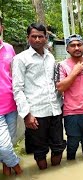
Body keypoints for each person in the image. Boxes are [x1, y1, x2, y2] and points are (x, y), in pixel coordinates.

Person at [12, 23, 66, 170]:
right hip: (36, 113)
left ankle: (56, 174)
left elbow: (55, 83)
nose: (37, 39)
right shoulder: (20, 59)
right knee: (40, 152)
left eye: (40, 36)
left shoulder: (50, 57)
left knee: (58, 147)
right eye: (33, 36)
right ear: (28, 38)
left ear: (45, 38)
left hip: (55, 109)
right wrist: (26, 114)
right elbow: (17, 89)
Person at [56, 34, 83, 160]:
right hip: (71, 112)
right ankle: (70, 167)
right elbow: (61, 87)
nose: (76, 48)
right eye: (73, 45)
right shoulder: (62, 65)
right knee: (72, 144)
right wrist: (75, 71)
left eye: (79, 45)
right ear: (67, 49)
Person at [0, 15, 23, 176]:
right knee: (4, 145)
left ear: (1, 27)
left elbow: (15, 75)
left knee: (12, 141)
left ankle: (6, 169)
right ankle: (19, 169)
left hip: (11, 104)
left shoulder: (8, 48)